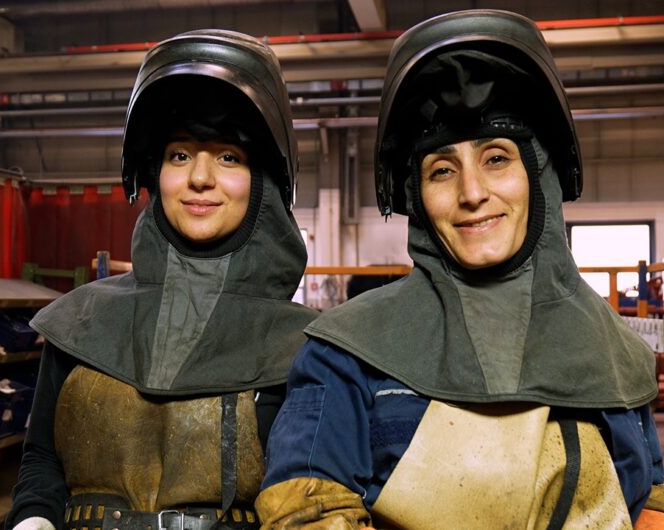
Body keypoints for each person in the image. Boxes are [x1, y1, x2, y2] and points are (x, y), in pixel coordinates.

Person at [255, 10, 664, 529]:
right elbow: (304, 512)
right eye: (442, 170)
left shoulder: (618, 354)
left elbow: (651, 504)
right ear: (417, 197)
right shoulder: (345, 355)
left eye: (497, 159)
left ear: (539, 175)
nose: (472, 193)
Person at [5, 29, 318, 530]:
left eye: (228, 156)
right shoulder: (81, 322)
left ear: (263, 181)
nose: (200, 178)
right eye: (179, 155)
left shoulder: (305, 346)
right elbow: (42, 461)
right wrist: (33, 519)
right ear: (154, 174)